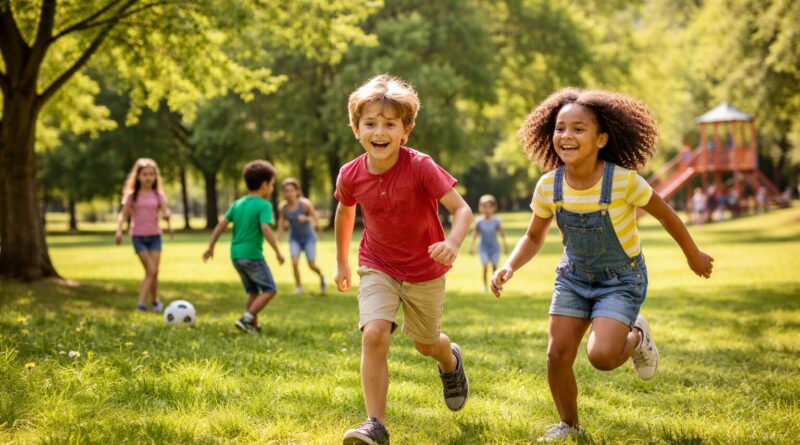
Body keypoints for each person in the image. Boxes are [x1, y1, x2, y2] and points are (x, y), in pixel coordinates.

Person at [491, 88, 714, 442]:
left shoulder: (624, 181)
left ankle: (637, 334)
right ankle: (569, 424)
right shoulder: (549, 186)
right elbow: (534, 237)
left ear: (601, 139)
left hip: (621, 279)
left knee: (604, 357)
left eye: (578, 129)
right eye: (560, 128)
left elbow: (667, 216)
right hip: (574, 278)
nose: (567, 136)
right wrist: (510, 266)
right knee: (557, 355)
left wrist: (693, 254)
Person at [334, 74, 473, 445]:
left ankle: (449, 359)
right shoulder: (351, 173)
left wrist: (453, 243)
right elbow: (345, 213)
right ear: (356, 129)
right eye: (370, 123)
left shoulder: (421, 166)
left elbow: (462, 211)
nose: (380, 131)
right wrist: (343, 262)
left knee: (425, 344)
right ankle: (374, 424)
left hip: (425, 270)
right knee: (375, 333)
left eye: (390, 124)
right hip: (377, 263)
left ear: (406, 131)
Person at [203, 160, 285, 334]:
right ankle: (246, 318)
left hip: (236, 256)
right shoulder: (264, 205)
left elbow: (220, 225)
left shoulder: (237, 204)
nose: (271, 189)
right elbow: (265, 228)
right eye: (271, 185)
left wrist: (211, 246)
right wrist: (278, 251)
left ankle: (252, 327)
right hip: (252, 256)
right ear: (264, 185)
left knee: (254, 292)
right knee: (270, 289)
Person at [115, 158, 173, 312]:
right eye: (145, 174)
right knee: (151, 270)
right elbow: (123, 215)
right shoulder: (132, 196)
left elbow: (165, 211)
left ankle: (155, 302)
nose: (148, 177)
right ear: (138, 176)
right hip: (138, 237)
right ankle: (141, 304)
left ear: (155, 177)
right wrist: (119, 230)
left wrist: (168, 221)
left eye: (151, 174)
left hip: (155, 237)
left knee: (154, 271)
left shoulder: (158, 195)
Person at [277, 178, 326, 295]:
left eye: (291, 190)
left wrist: (308, 219)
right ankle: (299, 287)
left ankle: (321, 276)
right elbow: (281, 222)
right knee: (294, 262)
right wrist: (279, 237)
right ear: (283, 193)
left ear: (296, 191)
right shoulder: (283, 207)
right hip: (294, 238)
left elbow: (315, 217)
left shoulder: (305, 204)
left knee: (311, 265)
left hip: (309, 238)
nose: (289, 193)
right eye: (286, 191)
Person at [469, 194, 508, 292]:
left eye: (489, 207)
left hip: (494, 248)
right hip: (483, 248)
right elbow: (475, 234)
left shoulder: (496, 221)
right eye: (484, 207)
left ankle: (498, 285)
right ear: (480, 208)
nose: (487, 209)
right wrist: (471, 246)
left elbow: (502, 234)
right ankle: (485, 287)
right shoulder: (479, 221)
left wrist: (505, 245)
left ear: (493, 208)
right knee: (485, 267)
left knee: (495, 268)